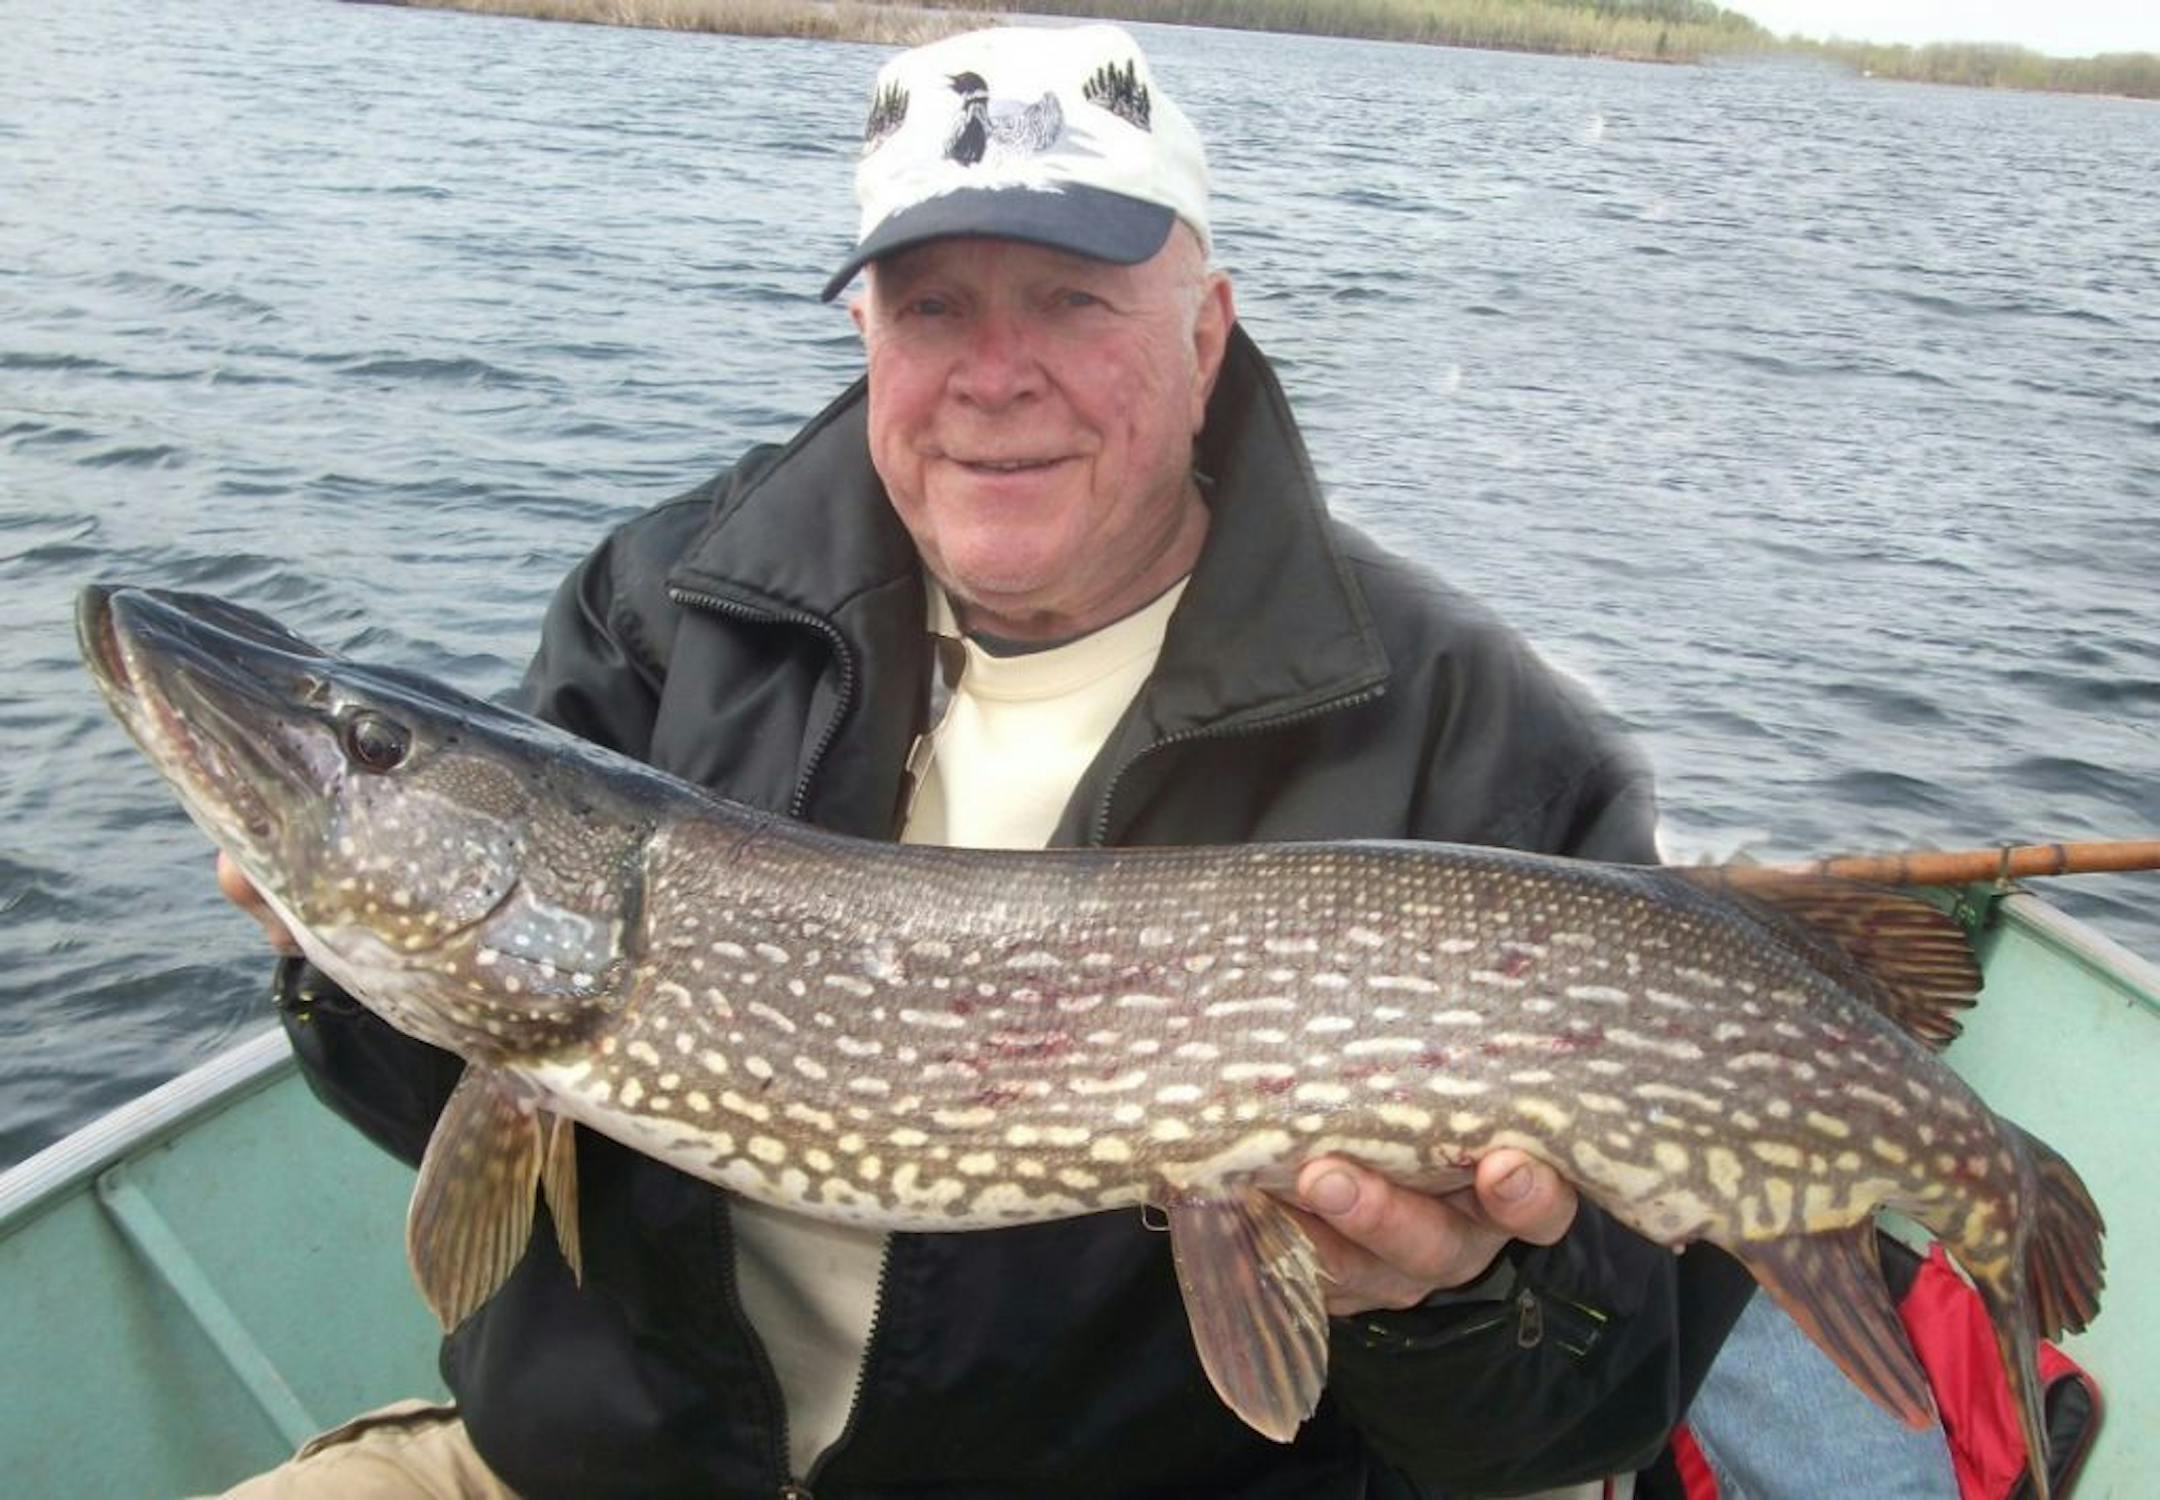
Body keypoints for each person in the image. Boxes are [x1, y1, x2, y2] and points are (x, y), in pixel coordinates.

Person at [217, 23, 1758, 1498]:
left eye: (1073, 300)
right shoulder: (672, 608)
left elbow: (1595, 1403)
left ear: (1206, 333)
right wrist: (352, 964)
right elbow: (487, 1086)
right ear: (866, 334)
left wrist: (1446, 1306)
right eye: (934, 307)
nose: (995, 372)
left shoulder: (1477, 739)